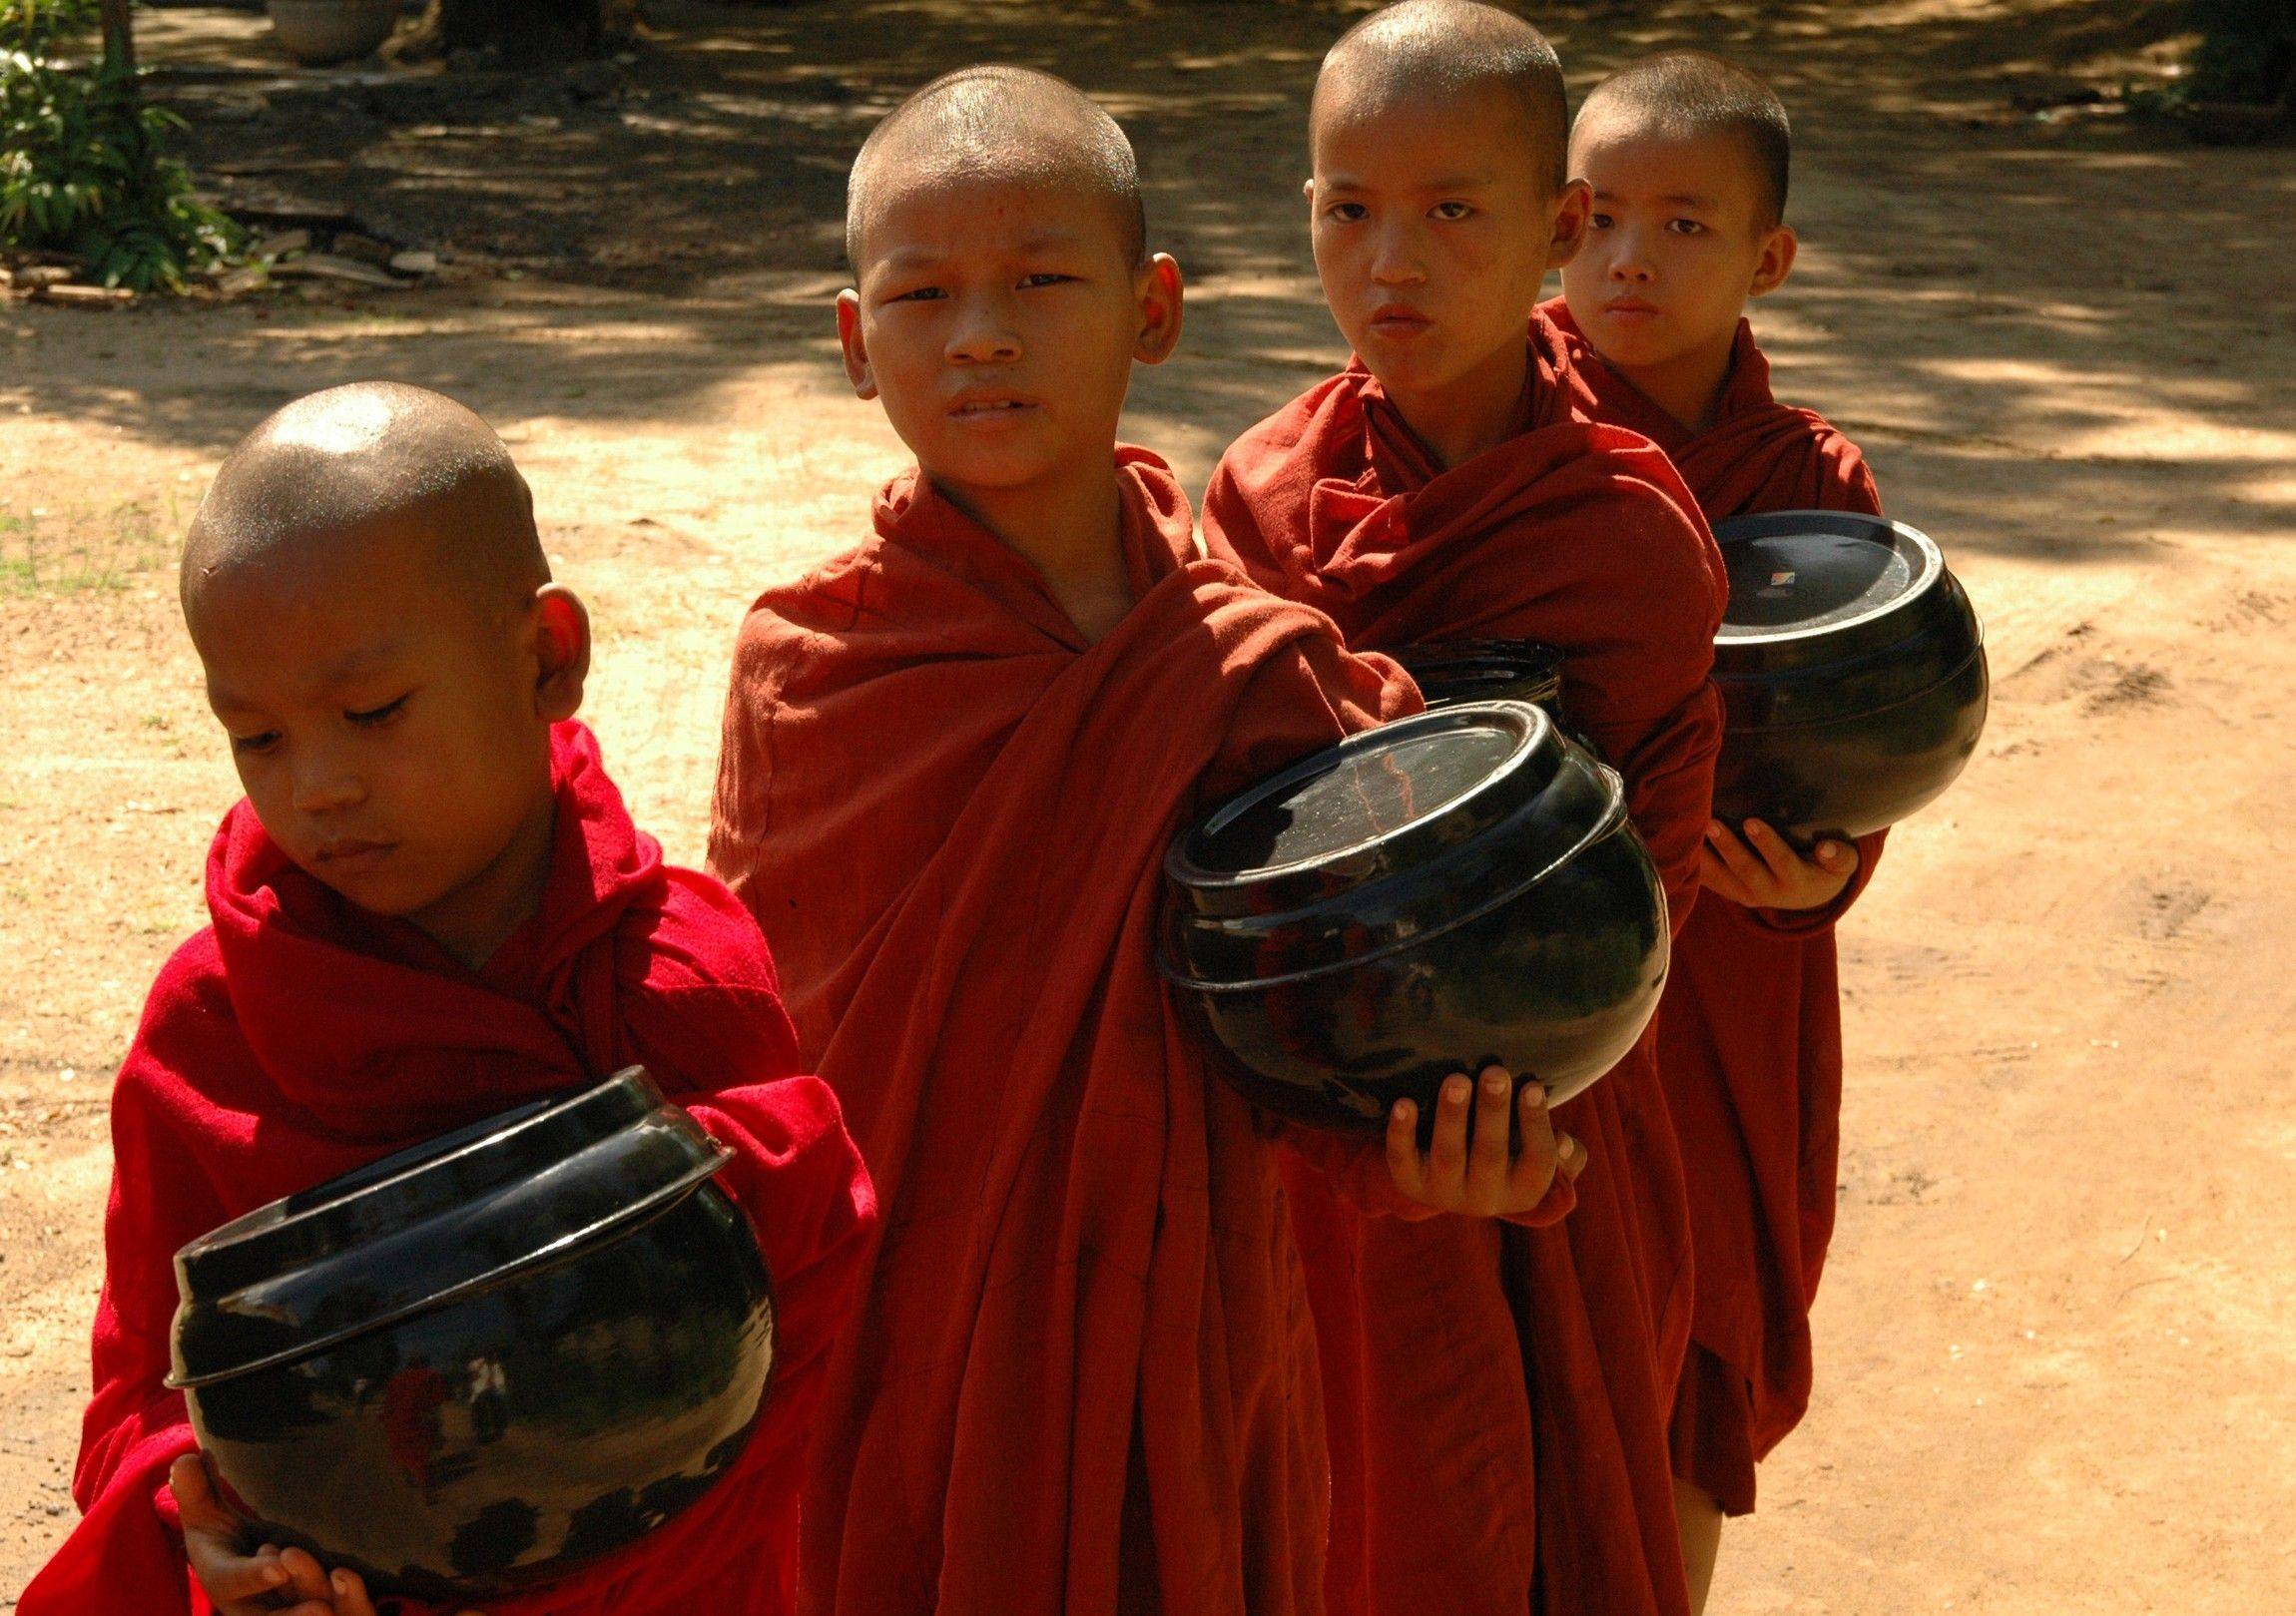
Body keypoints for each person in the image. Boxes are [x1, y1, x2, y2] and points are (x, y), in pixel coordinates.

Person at [708, 65, 1576, 1616]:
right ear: (854, 342)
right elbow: (768, 1045)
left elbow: (1342, 1043)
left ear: (1152, 308)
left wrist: (1436, 1152)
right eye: (924, 295)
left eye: (1043, 280)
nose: (982, 333)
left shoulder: (1259, 670)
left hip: (1187, 1336)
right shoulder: (817, 668)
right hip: (902, 1340)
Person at [18, 382, 874, 1616]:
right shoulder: (218, 1017)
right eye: (256, 736)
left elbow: (792, 1321)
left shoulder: (671, 968)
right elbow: (150, 1389)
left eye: (372, 713)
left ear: (547, 656)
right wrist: (199, 1523)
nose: (318, 788)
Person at [1199, 6, 1730, 1613]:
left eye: (1451, 210)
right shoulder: (1260, 498)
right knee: (1338, 1525)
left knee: (1527, 1517)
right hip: (1313, 1138)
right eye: (1348, 209)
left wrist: (1511, 1096)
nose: (1392, 263)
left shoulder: (1627, 536)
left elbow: (1653, 885)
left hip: (1546, 1119)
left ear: (1559, 229)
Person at [1550, 52, 1889, 1610]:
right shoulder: (1502, 436)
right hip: (1542, 988)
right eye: (1599, 215)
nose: (1628, 258)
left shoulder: (1807, 481)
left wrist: (1823, 871)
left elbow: (1859, 733)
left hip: (1729, 990)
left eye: (1684, 226)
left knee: (1689, 1358)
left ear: (1770, 260)